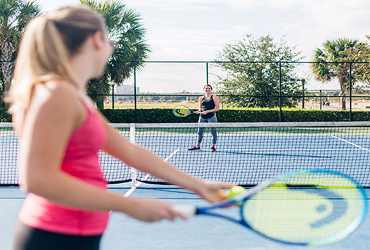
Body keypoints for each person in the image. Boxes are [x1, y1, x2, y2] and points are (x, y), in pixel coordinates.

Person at [6, 7, 232, 250]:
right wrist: (132, 206)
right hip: (53, 236)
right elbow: (37, 180)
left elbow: (130, 151)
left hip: (81, 234)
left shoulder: (75, 96)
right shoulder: (55, 95)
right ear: (97, 40)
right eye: (110, 40)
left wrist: (197, 185)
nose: (110, 48)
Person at [188, 84, 220, 152]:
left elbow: (217, 108)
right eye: (206, 88)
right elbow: (200, 108)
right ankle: (197, 146)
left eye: (209, 88)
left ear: (211, 89)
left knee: (213, 132)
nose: (207, 89)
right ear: (204, 89)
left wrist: (207, 111)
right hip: (202, 117)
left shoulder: (214, 97)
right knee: (200, 132)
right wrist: (198, 111)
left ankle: (213, 147)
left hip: (212, 117)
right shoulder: (201, 98)